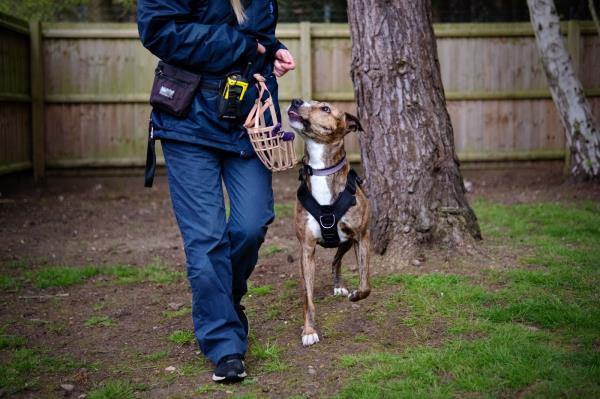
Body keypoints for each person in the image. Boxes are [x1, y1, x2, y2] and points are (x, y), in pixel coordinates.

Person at [137, 0, 295, 383]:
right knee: (206, 238)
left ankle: (223, 301)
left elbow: (256, 35)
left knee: (251, 223)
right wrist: (244, 46)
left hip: (247, 118)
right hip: (187, 120)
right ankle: (225, 345)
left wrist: (273, 50)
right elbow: (158, 30)